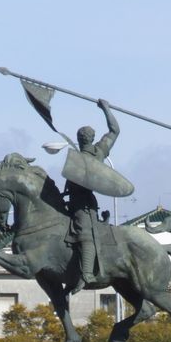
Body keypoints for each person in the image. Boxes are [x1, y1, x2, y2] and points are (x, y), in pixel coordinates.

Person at [64, 98, 119, 295]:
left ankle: (87, 273)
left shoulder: (80, 159)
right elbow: (115, 131)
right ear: (92, 138)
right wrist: (106, 109)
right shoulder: (99, 152)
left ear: (79, 139)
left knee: (85, 234)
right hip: (74, 201)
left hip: (82, 205)